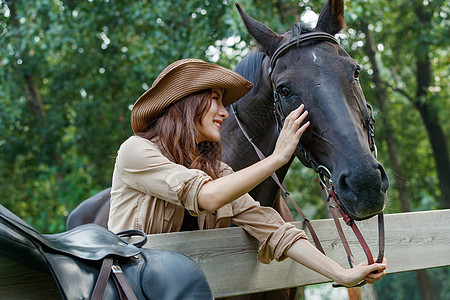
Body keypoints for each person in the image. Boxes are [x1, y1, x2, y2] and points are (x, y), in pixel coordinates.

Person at [108, 58, 387, 287]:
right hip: (131, 289)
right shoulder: (136, 151)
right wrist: (277, 157)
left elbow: (274, 229)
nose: (224, 112)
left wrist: (342, 274)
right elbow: (206, 197)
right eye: (215, 100)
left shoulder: (215, 171)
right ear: (187, 103)